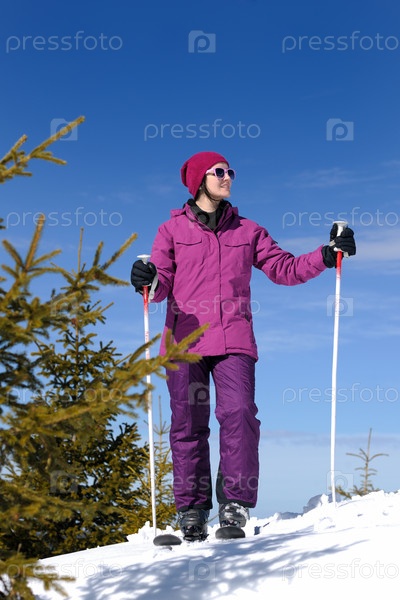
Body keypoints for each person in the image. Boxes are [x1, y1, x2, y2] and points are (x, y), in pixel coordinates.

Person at [130, 151, 356, 541]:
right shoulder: (170, 231)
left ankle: (234, 505)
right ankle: (192, 510)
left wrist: (325, 254)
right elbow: (161, 283)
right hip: (184, 342)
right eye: (219, 171)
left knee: (239, 414)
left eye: (230, 171)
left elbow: (283, 268)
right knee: (187, 424)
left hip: (233, 339)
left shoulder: (247, 231)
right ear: (200, 180)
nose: (228, 177)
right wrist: (147, 278)